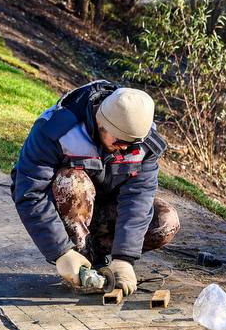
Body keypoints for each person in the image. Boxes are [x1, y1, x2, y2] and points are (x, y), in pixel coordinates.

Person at [11, 81, 180, 294]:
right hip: (68, 205)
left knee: (166, 221)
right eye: (119, 142)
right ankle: (80, 260)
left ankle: (103, 258)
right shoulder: (57, 130)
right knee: (72, 181)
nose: (125, 149)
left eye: (132, 144)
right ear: (102, 122)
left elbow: (138, 198)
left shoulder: (144, 143)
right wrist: (61, 251)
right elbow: (29, 191)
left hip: (106, 207)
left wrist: (124, 257)